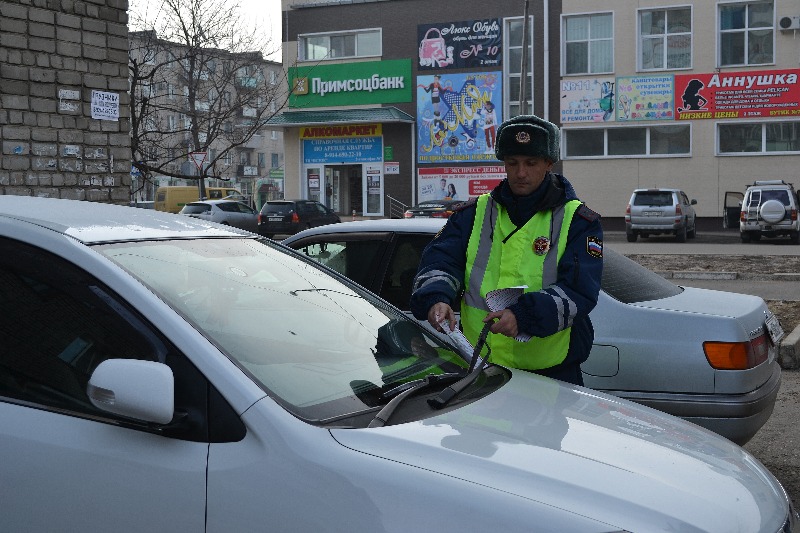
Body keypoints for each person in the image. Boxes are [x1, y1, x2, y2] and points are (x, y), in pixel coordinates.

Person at [409, 115, 603, 386]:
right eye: (512, 163)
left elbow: (579, 292)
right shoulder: (473, 213)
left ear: (548, 163)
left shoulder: (578, 221)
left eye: (531, 163)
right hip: (480, 369)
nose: (520, 173)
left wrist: (523, 317)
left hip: (551, 374)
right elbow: (440, 260)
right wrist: (436, 297)